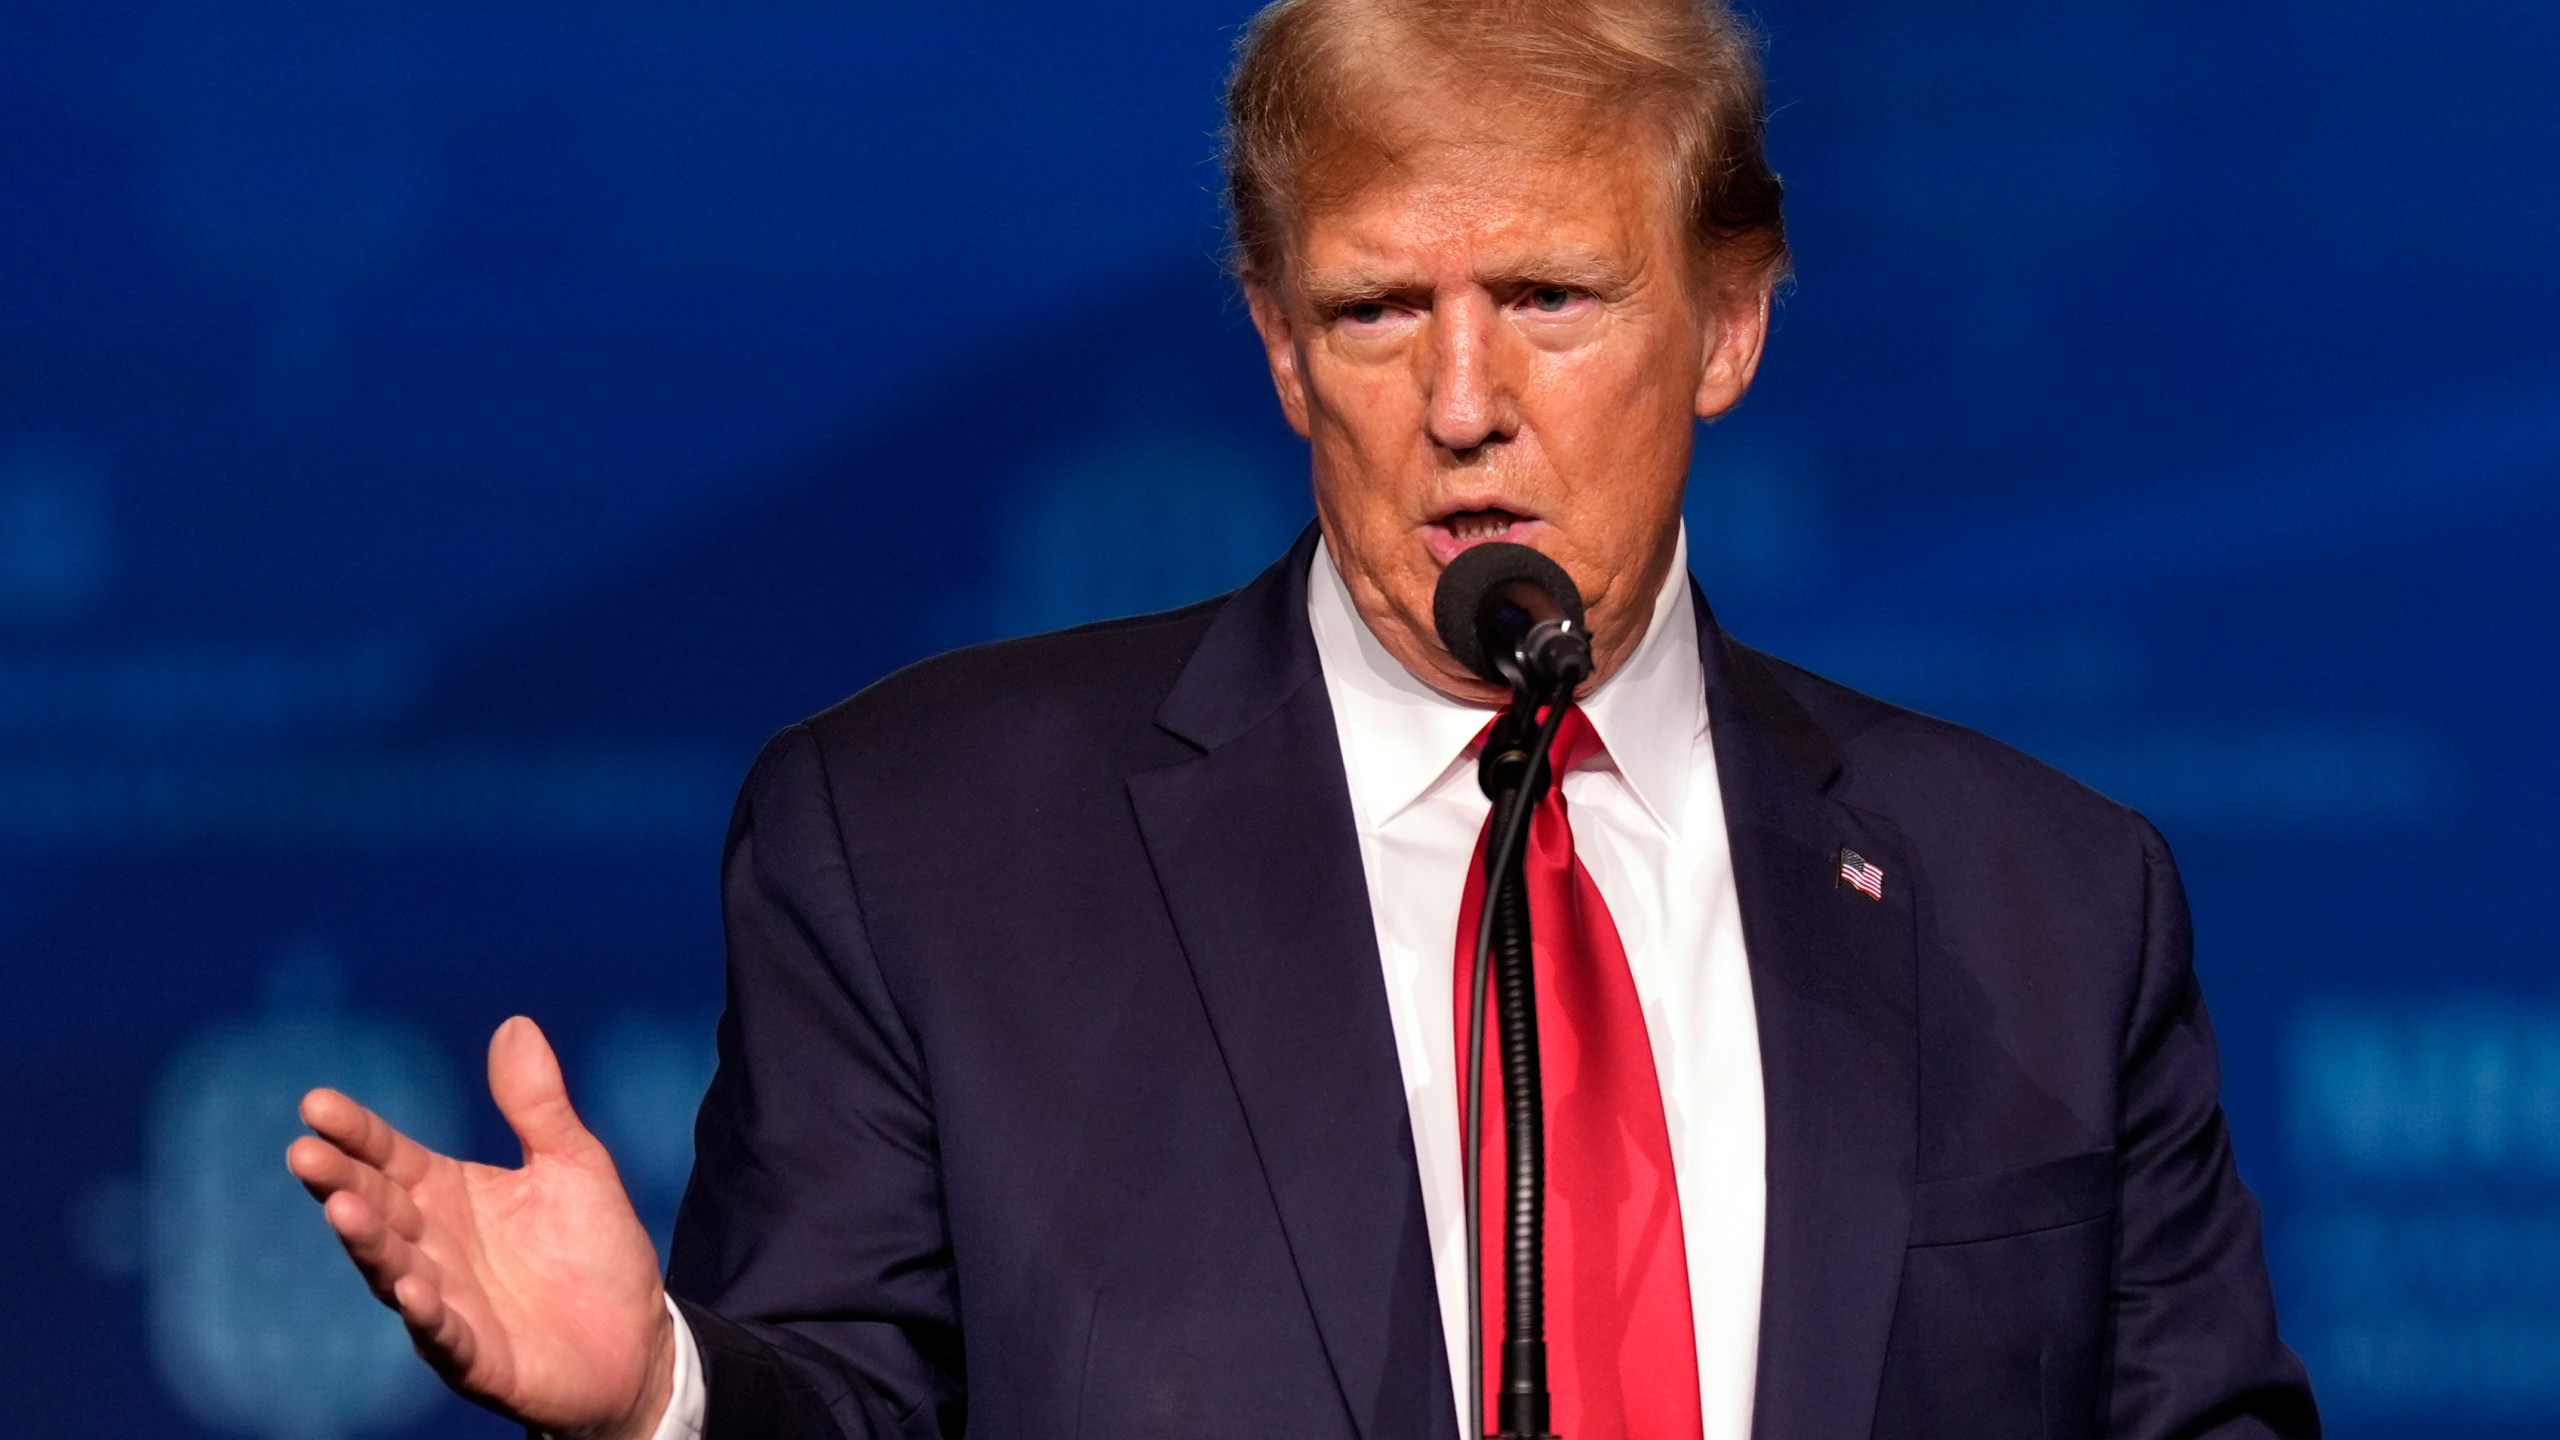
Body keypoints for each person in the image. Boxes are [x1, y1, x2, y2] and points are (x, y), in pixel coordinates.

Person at [286, 1, 2321, 1437]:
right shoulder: (916, 850)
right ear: (1273, 346)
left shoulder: (2041, 905)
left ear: (1725, 322)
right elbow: (852, 1407)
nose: (1458, 402)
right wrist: (656, 1394)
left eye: (1544, 298)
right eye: (1371, 312)